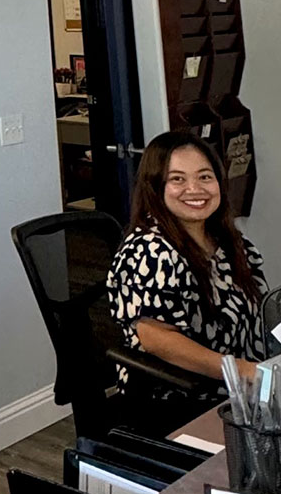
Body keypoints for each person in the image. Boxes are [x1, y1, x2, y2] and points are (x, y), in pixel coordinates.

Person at [107, 131, 267, 423]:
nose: (194, 189)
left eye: (205, 177)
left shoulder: (231, 242)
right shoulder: (150, 250)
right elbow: (157, 339)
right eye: (177, 179)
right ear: (155, 187)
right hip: (179, 398)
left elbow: (261, 309)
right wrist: (239, 370)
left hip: (242, 388)